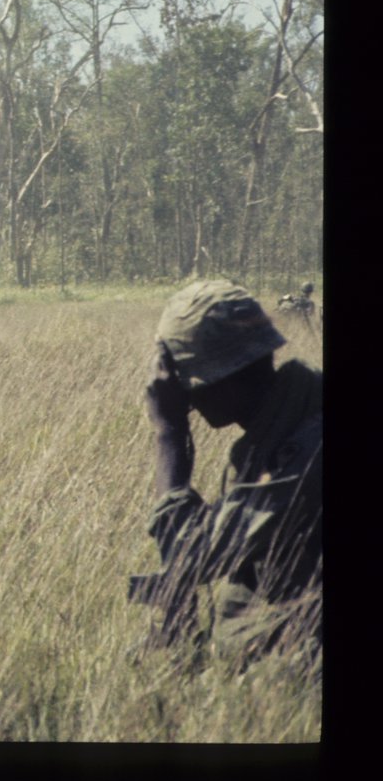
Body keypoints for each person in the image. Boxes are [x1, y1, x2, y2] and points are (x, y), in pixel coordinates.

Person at [134, 279, 321, 666]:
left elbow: (192, 557)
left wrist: (168, 434)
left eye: (184, 382)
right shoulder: (289, 420)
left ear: (219, 378)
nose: (184, 398)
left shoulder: (303, 448)